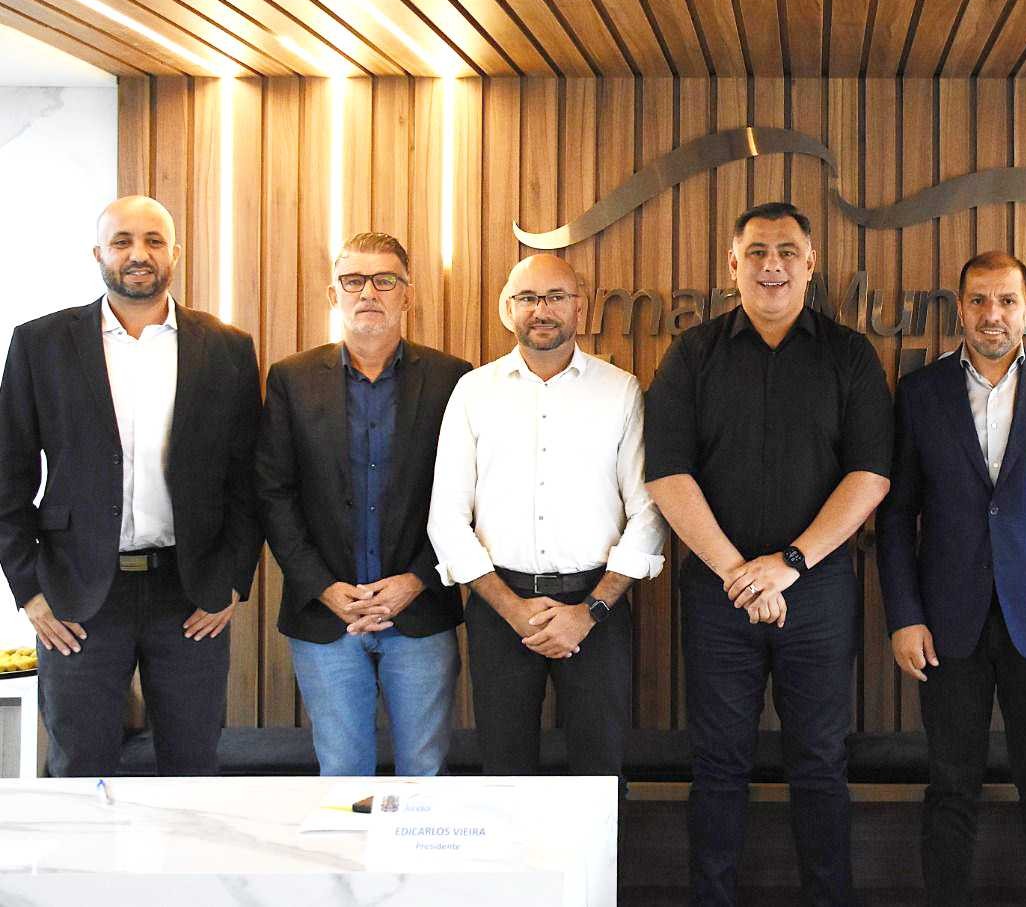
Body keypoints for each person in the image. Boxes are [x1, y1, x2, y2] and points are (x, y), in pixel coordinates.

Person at [645, 202, 893, 906]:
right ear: (733, 264)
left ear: (811, 263)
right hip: (717, 593)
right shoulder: (692, 354)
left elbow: (871, 474)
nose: (771, 264)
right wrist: (739, 574)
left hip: (818, 592)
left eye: (786, 251)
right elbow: (667, 473)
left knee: (820, 761)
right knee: (718, 764)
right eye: (756, 251)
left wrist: (788, 564)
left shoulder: (849, 354)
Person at [877, 250, 1026, 903]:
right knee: (950, 784)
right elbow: (896, 516)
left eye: (1007, 301)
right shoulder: (921, 392)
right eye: (979, 300)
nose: (993, 314)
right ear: (960, 309)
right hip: (944, 623)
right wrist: (904, 615)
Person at [0, 195, 261, 775]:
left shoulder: (226, 348)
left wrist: (231, 581)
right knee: (80, 769)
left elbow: (248, 480)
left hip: (189, 593)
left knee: (192, 769)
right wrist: (30, 592)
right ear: (98, 254)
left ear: (176, 253)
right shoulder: (41, 344)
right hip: (77, 598)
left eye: (153, 241)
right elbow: (6, 479)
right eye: (121, 242)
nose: (138, 254)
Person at [428, 253, 665, 777]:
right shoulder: (474, 392)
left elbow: (649, 513)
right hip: (498, 606)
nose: (542, 310)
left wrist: (590, 611)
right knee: (505, 770)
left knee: (601, 771)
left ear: (580, 307)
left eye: (556, 297)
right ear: (507, 308)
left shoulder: (620, 389)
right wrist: (511, 608)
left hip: (596, 605)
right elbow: (446, 516)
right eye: (528, 298)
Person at [256, 232, 470, 776]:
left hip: (420, 611)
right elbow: (274, 493)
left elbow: (468, 495)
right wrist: (323, 587)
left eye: (384, 280)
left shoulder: (452, 379)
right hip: (326, 615)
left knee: (425, 774)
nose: (368, 292)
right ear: (334, 295)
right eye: (353, 281)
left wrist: (417, 580)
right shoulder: (291, 379)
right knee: (342, 775)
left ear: (407, 295)